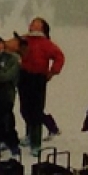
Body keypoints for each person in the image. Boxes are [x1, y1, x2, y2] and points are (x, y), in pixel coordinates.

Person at [13, 17, 65, 156]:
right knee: (25, 109)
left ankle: (36, 143)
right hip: (23, 76)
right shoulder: (24, 39)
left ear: (43, 28)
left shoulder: (46, 44)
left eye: (37, 24)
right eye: (32, 23)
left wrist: (52, 71)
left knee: (36, 110)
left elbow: (59, 57)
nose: (33, 26)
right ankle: (29, 134)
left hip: (38, 78)